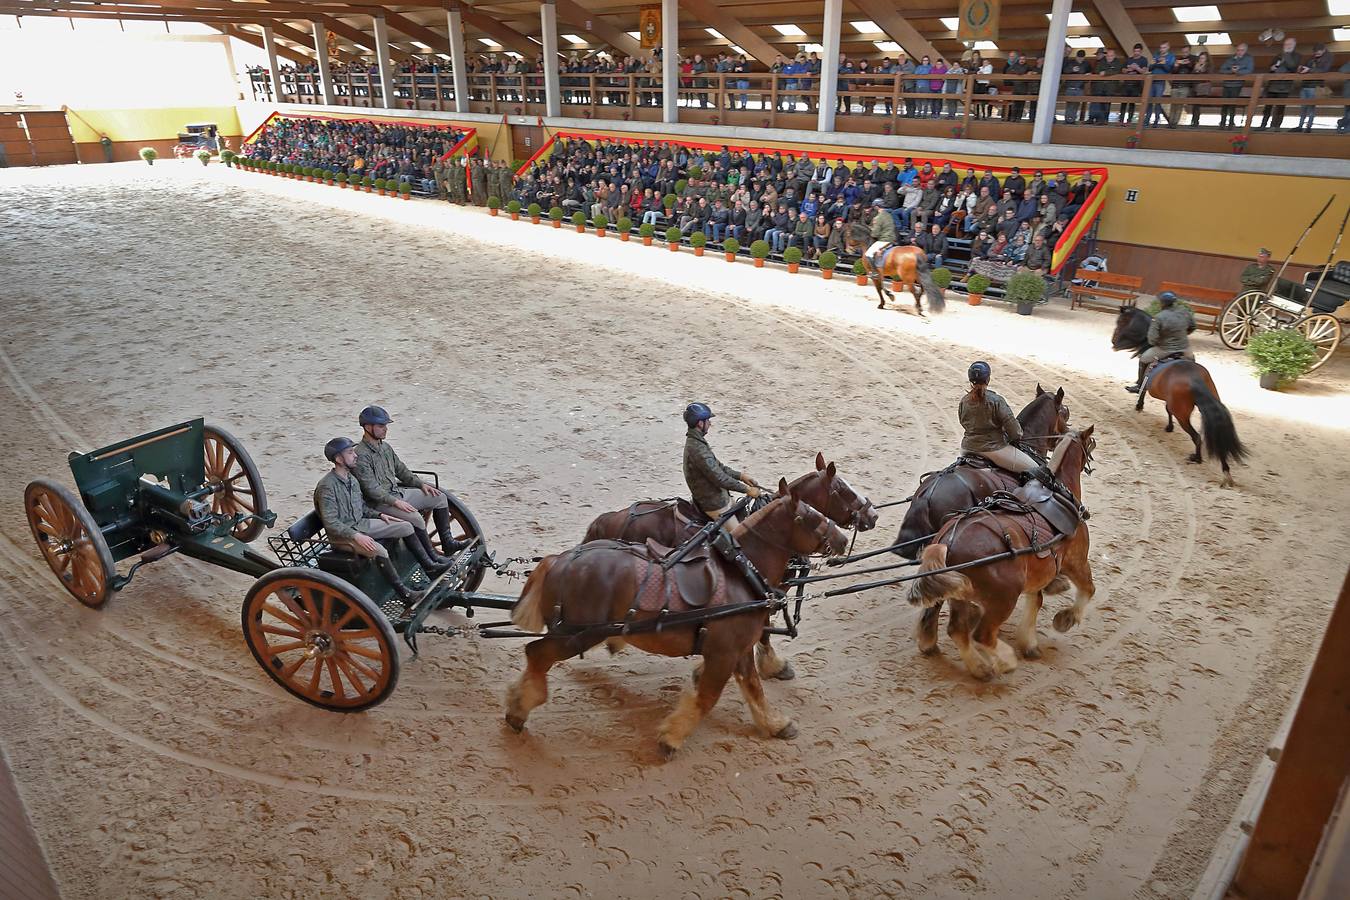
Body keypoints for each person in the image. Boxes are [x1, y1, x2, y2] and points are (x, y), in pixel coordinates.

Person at [959, 362, 1088, 519]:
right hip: (994, 449)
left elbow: (963, 422)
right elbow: (1016, 432)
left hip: (967, 448)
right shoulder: (996, 400)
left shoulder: (964, 401)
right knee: (1039, 471)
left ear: (970, 380)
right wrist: (1011, 436)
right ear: (988, 379)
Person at [314, 437, 431, 603]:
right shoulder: (327, 487)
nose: (355, 455)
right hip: (344, 537)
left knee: (405, 526)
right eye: (350, 452)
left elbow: (361, 507)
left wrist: (379, 515)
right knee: (379, 551)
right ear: (338, 459)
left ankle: (428, 566)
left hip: (362, 525)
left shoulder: (352, 480)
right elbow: (331, 523)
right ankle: (404, 594)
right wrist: (356, 536)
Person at [352, 405, 465, 566]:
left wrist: (419, 484)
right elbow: (371, 489)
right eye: (381, 426)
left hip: (398, 493)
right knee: (415, 518)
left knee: (439, 498)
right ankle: (432, 559)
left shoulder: (385, 448)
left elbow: (401, 469)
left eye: (385, 426)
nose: (385, 429)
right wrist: (396, 502)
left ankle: (448, 543)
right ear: (368, 427)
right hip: (380, 504)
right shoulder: (361, 455)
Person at [682, 403, 760, 520]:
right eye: (707, 420)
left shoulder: (698, 442)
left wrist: (741, 476)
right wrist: (747, 489)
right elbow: (719, 478)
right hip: (714, 504)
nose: (710, 423)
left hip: (721, 497)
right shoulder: (697, 449)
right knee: (737, 536)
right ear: (700, 423)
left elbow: (719, 467)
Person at [1126, 291, 1196, 396]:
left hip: (1165, 349)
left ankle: (1140, 385)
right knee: (1192, 360)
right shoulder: (1185, 312)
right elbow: (1193, 326)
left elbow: (1152, 340)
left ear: (1162, 303)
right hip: (1184, 348)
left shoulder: (1159, 317)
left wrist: (1161, 340)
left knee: (1143, 359)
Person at [1218, 44, 1255, 129]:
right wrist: (1231, 71)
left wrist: (1238, 71)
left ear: (1245, 51)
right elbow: (1222, 69)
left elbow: (1249, 70)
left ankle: (1231, 123)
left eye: (1241, 50)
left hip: (1237, 84)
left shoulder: (1248, 59)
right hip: (1226, 84)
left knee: (1233, 104)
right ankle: (1222, 123)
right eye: (1238, 50)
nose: (1239, 52)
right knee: (1224, 104)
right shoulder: (1230, 58)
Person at [865, 198, 897, 268]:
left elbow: (875, 234)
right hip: (893, 238)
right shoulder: (889, 215)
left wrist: (871, 229)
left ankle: (874, 272)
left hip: (884, 240)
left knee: (868, 254)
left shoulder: (878, 217)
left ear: (876, 207)